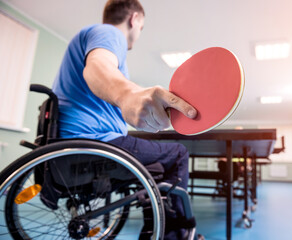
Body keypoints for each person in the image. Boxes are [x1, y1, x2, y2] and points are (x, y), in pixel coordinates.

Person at [52, 0, 200, 239]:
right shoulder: (110, 34)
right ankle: (174, 233)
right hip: (96, 143)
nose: (139, 33)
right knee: (178, 154)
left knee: (155, 165)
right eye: (141, 27)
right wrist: (126, 94)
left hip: (73, 147)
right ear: (135, 19)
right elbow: (97, 67)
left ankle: (154, 223)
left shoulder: (94, 37)